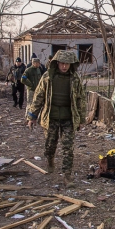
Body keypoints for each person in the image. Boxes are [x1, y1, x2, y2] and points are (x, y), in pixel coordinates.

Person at [26, 49, 86, 186]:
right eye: (62, 63)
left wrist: (81, 119)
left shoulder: (75, 79)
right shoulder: (48, 77)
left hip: (68, 118)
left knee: (68, 148)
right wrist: (32, 116)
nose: (64, 66)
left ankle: (67, 176)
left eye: (67, 64)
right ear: (57, 63)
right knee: (50, 144)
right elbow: (38, 97)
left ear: (72, 64)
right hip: (51, 117)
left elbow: (81, 99)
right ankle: (50, 159)